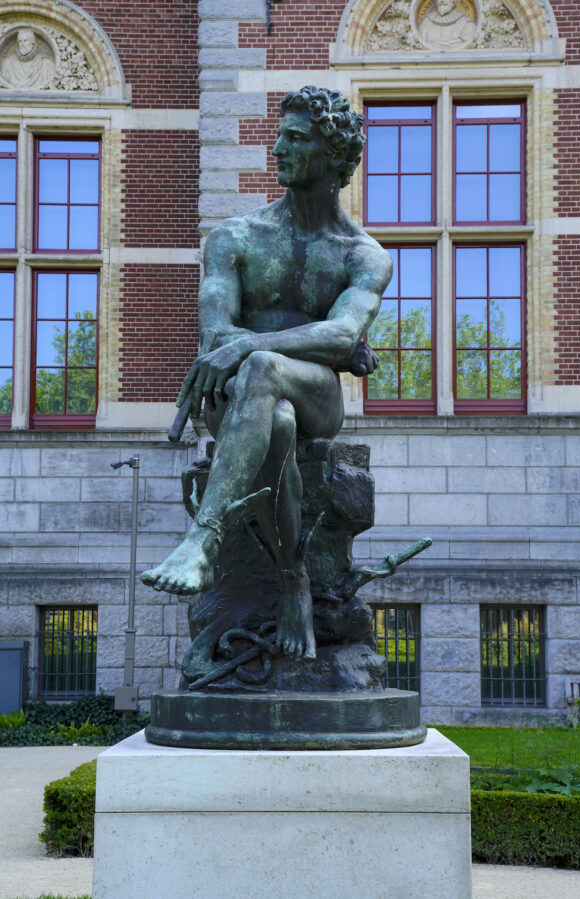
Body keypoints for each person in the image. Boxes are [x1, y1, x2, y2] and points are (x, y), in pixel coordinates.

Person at [141, 87, 392, 660]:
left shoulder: (363, 254)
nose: (277, 148)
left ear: (334, 156)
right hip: (236, 398)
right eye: (279, 135)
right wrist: (295, 345)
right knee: (272, 414)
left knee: (262, 366)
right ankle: (293, 581)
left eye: (296, 138)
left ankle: (203, 538)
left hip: (318, 400)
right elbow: (215, 335)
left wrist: (262, 345)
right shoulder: (235, 237)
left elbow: (341, 334)